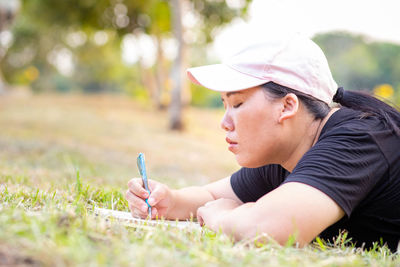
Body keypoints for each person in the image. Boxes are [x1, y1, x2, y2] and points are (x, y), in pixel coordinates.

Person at [126, 34, 400, 252]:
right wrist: (167, 201)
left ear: (287, 106)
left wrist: (223, 217)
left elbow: (268, 230)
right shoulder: (290, 151)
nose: (225, 122)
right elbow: (211, 197)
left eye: (238, 103)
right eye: (225, 105)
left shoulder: (359, 139)